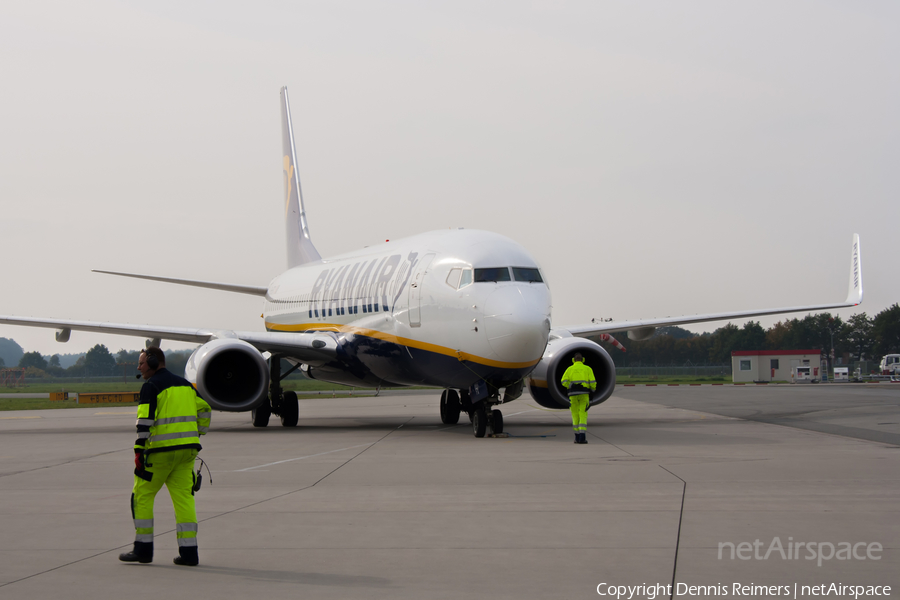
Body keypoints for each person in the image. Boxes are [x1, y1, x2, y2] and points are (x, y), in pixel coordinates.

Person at [119, 347, 211, 566]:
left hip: (160, 454)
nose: (139, 367)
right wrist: (199, 432)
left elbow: (144, 422)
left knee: (141, 496)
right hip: (187, 452)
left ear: (152, 362)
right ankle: (189, 553)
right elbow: (205, 409)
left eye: (141, 363)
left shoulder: (151, 387)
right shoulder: (186, 385)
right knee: (184, 500)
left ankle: (143, 549)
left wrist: (139, 450)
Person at [561, 353, 596, 444]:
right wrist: (592, 390)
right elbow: (592, 382)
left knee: (575, 415)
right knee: (583, 414)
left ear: (573, 360)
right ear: (583, 360)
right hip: (584, 394)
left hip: (572, 394)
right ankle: (582, 437)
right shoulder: (587, 369)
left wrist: (571, 386)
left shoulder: (569, 369)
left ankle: (576, 437)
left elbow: (563, 381)